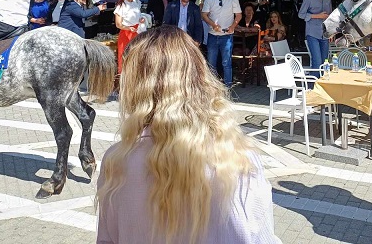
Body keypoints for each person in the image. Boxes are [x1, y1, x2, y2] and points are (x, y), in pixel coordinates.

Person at [96, 26, 281, 244]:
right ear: (200, 79)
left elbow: (106, 240)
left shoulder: (116, 162)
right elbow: (260, 237)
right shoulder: (239, 160)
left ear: (135, 86)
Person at [201, 0, 242, 87]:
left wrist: (233, 26)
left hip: (227, 35)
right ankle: (212, 87)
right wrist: (212, 24)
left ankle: (228, 87)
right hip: (213, 35)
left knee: (226, 63)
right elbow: (204, 14)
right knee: (211, 63)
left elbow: (238, 14)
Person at [298, 0, 334, 70]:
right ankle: (315, 83)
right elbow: (301, 14)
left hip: (325, 34)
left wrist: (331, 32)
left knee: (325, 61)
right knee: (317, 61)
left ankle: (324, 82)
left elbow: (329, 16)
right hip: (312, 33)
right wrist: (317, 16)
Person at [114, 0, 145, 73]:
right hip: (126, 33)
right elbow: (118, 24)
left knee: (138, 58)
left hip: (137, 31)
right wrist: (128, 28)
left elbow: (137, 16)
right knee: (126, 58)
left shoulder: (136, 2)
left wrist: (141, 19)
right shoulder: (121, 6)